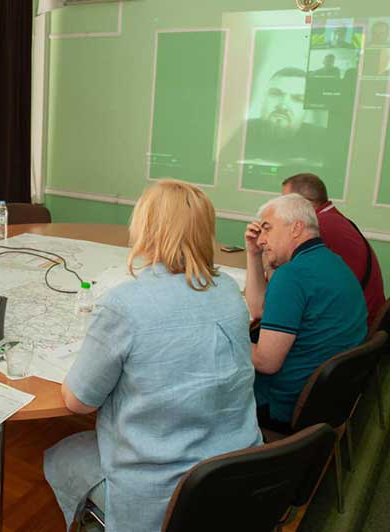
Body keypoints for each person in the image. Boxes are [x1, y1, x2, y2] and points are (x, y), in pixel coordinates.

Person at [44, 180, 262, 532]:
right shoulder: (228, 290)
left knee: (60, 455)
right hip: (240, 475)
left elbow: (77, 402)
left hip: (165, 498)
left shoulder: (125, 304)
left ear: (146, 229)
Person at [244, 193, 367, 432]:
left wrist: (229, 338)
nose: (261, 240)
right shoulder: (332, 261)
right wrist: (253, 254)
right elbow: (259, 310)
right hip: (328, 402)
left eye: (267, 228)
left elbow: (266, 362)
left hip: (285, 405)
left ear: (296, 228)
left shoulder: (291, 276)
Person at [281, 173, 385, 326]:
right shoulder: (332, 218)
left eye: (284, 203)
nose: (280, 209)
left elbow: (290, 284)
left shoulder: (318, 227)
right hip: (364, 315)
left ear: (304, 203)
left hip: (354, 324)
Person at [243, 67, 327, 173]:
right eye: (276, 94)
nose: (283, 106)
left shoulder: (324, 140)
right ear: (263, 99)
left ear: (307, 109)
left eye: (298, 98)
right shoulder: (237, 134)